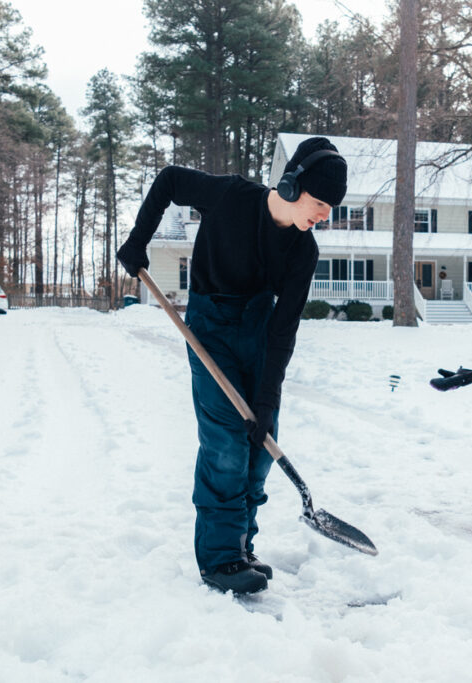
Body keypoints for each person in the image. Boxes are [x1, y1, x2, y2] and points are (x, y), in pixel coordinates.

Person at [116, 137, 348, 594]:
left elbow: (284, 331)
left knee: (260, 443)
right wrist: (137, 240)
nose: (324, 215)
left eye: (330, 207)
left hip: (260, 328)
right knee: (225, 443)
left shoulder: (304, 251)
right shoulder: (229, 195)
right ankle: (219, 559)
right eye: (320, 202)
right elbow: (169, 180)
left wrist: (267, 400)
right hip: (212, 325)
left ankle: (240, 546)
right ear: (291, 185)